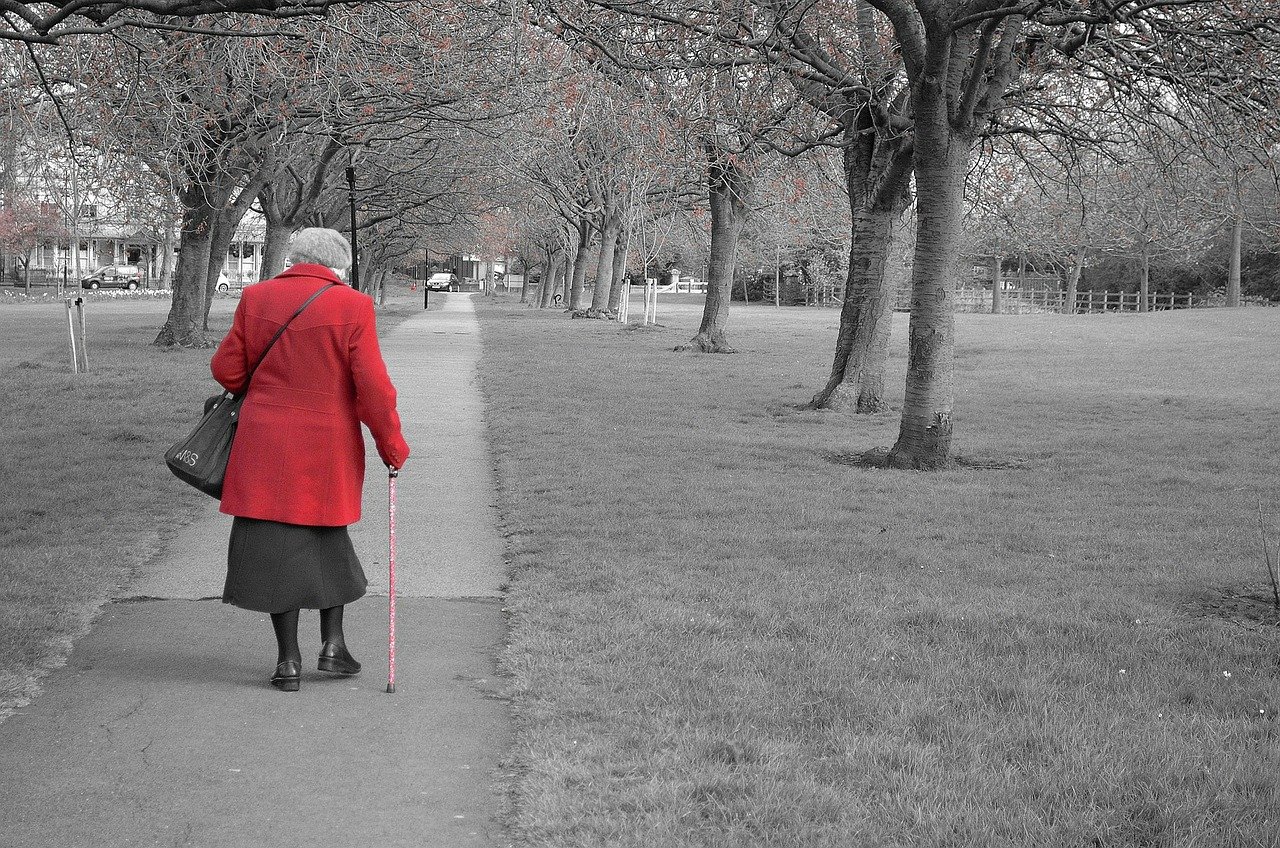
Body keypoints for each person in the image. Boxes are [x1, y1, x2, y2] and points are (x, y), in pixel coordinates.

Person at [210, 228, 409, 692]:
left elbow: (228, 370)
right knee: (326, 541)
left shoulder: (256, 297)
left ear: (293, 257)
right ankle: (333, 647)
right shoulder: (353, 305)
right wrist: (392, 445)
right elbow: (374, 390)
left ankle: (289, 661)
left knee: (277, 548)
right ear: (336, 264)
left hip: (264, 447)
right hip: (326, 446)